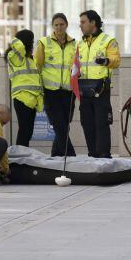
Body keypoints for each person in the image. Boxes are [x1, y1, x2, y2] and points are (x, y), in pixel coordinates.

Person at [77, 10, 120, 158]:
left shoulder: (108, 40)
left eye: (83, 22)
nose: (80, 25)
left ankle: (104, 154)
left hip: (100, 89)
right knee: (86, 123)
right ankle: (92, 154)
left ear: (93, 23)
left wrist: (106, 61)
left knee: (101, 123)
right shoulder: (80, 43)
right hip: (83, 89)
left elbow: (116, 60)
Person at [36, 13, 77, 157]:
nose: (59, 27)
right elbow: (38, 66)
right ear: (52, 26)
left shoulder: (75, 44)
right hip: (50, 91)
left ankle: (55, 154)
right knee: (59, 124)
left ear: (66, 25)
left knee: (64, 125)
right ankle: (70, 155)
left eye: (62, 24)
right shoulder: (43, 43)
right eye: (56, 25)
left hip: (68, 91)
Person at [5, 29, 43, 147]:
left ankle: (23, 156)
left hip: (31, 99)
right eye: (31, 40)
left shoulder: (30, 59)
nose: (33, 43)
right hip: (22, 97)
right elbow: (19, 47)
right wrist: (16, 39)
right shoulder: (15, 56)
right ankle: (20, 158)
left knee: (28, 131)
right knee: (24, 130)